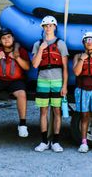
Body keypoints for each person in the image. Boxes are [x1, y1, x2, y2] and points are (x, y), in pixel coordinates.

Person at [31, 16, 68, 153]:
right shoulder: (37, 44)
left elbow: (65, 67)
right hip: (43, 80)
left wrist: (64, 86)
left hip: (57, 80)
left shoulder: (61, 44)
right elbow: (35, 65)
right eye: (45, 25)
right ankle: (44, 141)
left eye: (50, 25)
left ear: (55, 27)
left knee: (57, 111)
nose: (48, 28)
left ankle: (56, 141)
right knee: (43, 111)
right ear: (43, 27)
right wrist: (41, 49)